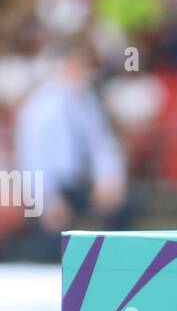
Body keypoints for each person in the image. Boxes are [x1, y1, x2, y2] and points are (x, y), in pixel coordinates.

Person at [12, 39, 130, 261]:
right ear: (64, 66)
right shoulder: (38, 108)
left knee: (125, 205)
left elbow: (102, 146)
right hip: (48, 190)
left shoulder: (88, 102)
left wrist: (109, 180)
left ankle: (112, 267)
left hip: (81, 187)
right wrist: (47, 200)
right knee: (47, 228)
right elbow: (31, 159)